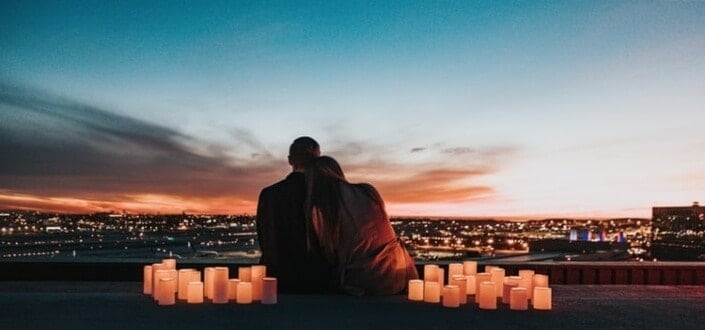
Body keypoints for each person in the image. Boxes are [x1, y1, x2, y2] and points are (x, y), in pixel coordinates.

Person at [305, 156, 419, 295]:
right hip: (401, 272)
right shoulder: (367, 190)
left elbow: (328, 251)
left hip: (366, 280)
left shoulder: (322, 208)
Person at [256, 136, 329, 293]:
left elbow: (264, 239)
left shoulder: (268, 194)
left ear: (290, 160)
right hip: (317, 280)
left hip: (275, 279)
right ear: (318, 160)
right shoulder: (324, 193)